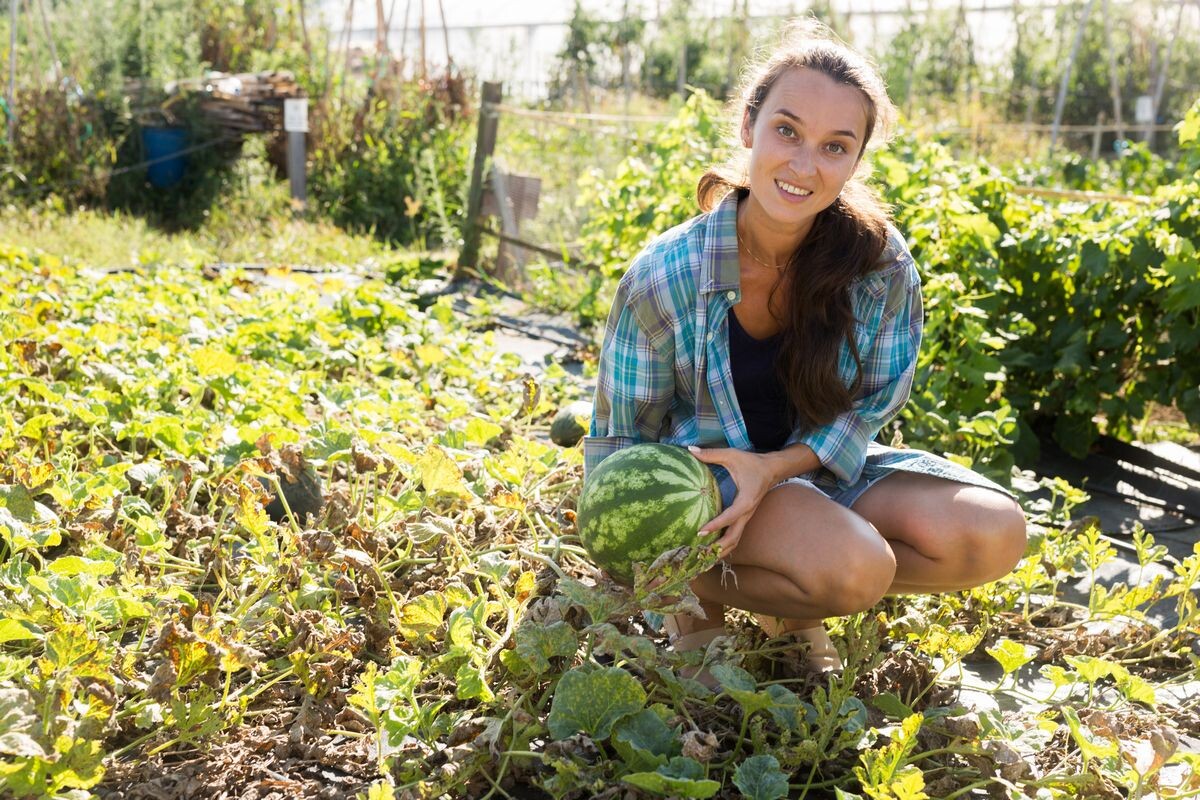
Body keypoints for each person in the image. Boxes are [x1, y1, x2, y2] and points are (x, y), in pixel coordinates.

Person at [583, 21, 1027, 678]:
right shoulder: (665, 278)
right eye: (787, 130)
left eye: (834, 146)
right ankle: (694, 596)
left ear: (853, 162)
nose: (803, 164)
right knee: (856, 568)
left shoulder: (877, 268)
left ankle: (794, 591)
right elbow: (620, 439)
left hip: (808, 475)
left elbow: (867, 407)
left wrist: (774, 469)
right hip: (702, 494)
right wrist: (650, 539)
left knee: (994, 530)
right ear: (749, 126)